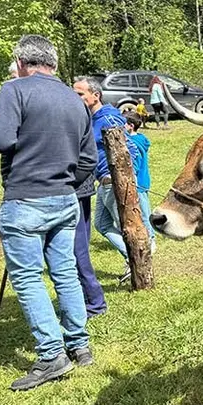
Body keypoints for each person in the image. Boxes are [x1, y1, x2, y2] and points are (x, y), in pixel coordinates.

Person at [0, 35, 97, 390]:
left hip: (26, 200)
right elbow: (88, 159)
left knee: (29, 277)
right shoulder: (74, 97)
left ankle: (51, 355)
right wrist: (63, 179)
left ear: (21, 61)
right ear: (52, 63)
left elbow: (1, 140)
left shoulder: (14, 90)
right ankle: (79, 344)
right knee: (64, 272)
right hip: (64, 200)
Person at [72, 76, 142, 282]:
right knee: (102, 224)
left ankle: (136, 263)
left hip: (114, 182)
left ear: (96, 96)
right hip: (102, 182)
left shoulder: (107, 118)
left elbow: (132, 149)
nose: (76, 98)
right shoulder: (91, 120)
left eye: (80, 94)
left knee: (126, 227)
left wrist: (122, 177)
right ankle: (132, 259)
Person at [74, 171, 106, 319]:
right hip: (75, 187)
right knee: (79, 249)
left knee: (77, 250)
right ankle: (87, 299)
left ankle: (94, 301)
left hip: (72, 189)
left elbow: (89, 156)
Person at [123, 111, 156, 249]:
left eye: (123, 124)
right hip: (144, 181)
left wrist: (132, 180)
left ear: (130, 126)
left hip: (138, 183)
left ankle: (151, 239)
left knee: (144, 212)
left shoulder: (133, 143)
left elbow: (134, 164)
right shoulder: (142, 139)